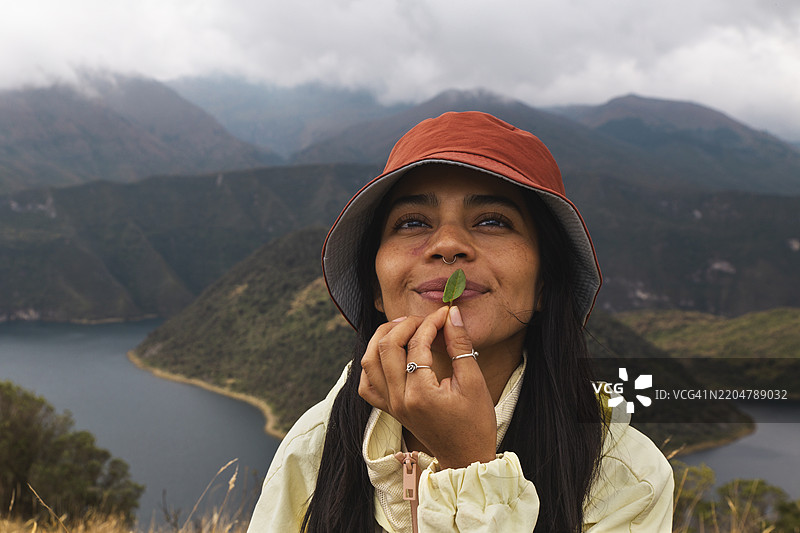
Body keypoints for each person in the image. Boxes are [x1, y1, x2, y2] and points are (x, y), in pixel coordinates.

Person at [247, 111, 674, 532]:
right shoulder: (317, 447)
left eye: (492, 221)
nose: (448, 244)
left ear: (545, 283)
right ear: (376, 288)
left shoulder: (625, 479)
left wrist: (469, 465)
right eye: (412, 223)